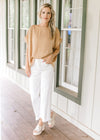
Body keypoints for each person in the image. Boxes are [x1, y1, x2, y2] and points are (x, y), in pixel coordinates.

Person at [25, 3, 62, 136]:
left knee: (45, 94)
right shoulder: (33, 29)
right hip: (34, 64)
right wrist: (27, 65)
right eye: (44, 12)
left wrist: (51, 56)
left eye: (48, 13)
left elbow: (57, 48)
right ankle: (49, 114)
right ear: (39, 14)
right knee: (34, 94)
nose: (46, 15)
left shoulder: (54, 30)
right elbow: (28, 48)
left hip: (47, 66)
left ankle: (41, 123)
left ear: (51, 15)